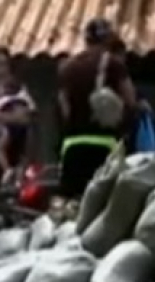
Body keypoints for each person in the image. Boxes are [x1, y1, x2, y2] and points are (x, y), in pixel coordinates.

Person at [56, 18, 136, 198]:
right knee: (103, 208)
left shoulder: (67, 68)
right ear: (108, 39)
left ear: (86, 39)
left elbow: (64, 111)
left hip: (72, 147)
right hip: (104, 146)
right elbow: (130, 102)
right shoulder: (114, 65)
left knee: (72, 207)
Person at [0, 47, 35, 186]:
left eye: (5, 64)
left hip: (17, 145)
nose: (2, 69)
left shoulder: (17, 88)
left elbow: (23, 118)